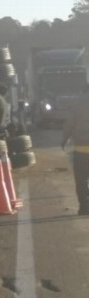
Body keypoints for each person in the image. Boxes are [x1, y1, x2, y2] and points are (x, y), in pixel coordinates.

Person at [61, 84, 89, 215]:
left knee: (81, 180)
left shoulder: (77, 104)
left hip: (81, 150)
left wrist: (64, 139)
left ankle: (84, 207)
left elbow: (69, 124)